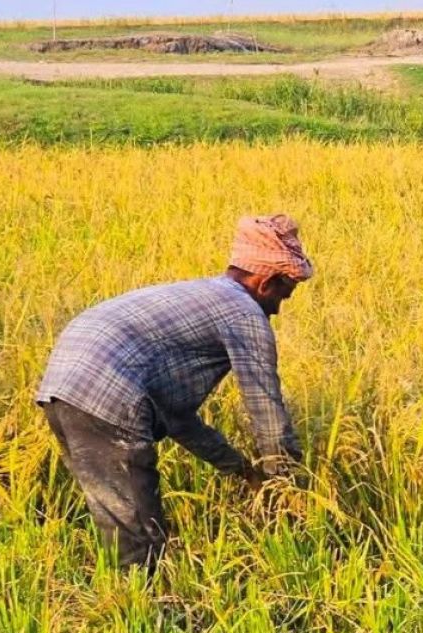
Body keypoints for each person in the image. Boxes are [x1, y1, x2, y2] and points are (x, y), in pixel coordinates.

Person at [36, 214, 313, 573]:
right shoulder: (245, 313)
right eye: (282, 295)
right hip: (106, 391)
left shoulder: (201, 296)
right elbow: (266, 411)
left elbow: (178, 419)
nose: (277, 310)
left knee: (116, 517)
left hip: (62, 390)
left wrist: (242, 471)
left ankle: (122, 603)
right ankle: (138, 614)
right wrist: (287, 487)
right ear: (267, 282)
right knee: (138, 531)